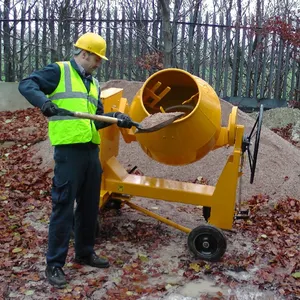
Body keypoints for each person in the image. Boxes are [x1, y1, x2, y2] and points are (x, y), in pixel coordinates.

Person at [18, 32, 133, 288]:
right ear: (85, 54)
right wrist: (44, 103)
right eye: (97, 59)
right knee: (63, 206)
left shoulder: (93, 83)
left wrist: (117, 117)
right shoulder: (59, 71)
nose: (99, 63)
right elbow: (26, 84)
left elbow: (97, 118)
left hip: (91, 152)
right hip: (69, 153)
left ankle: (84, 252)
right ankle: (55, 264)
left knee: (89, 206)